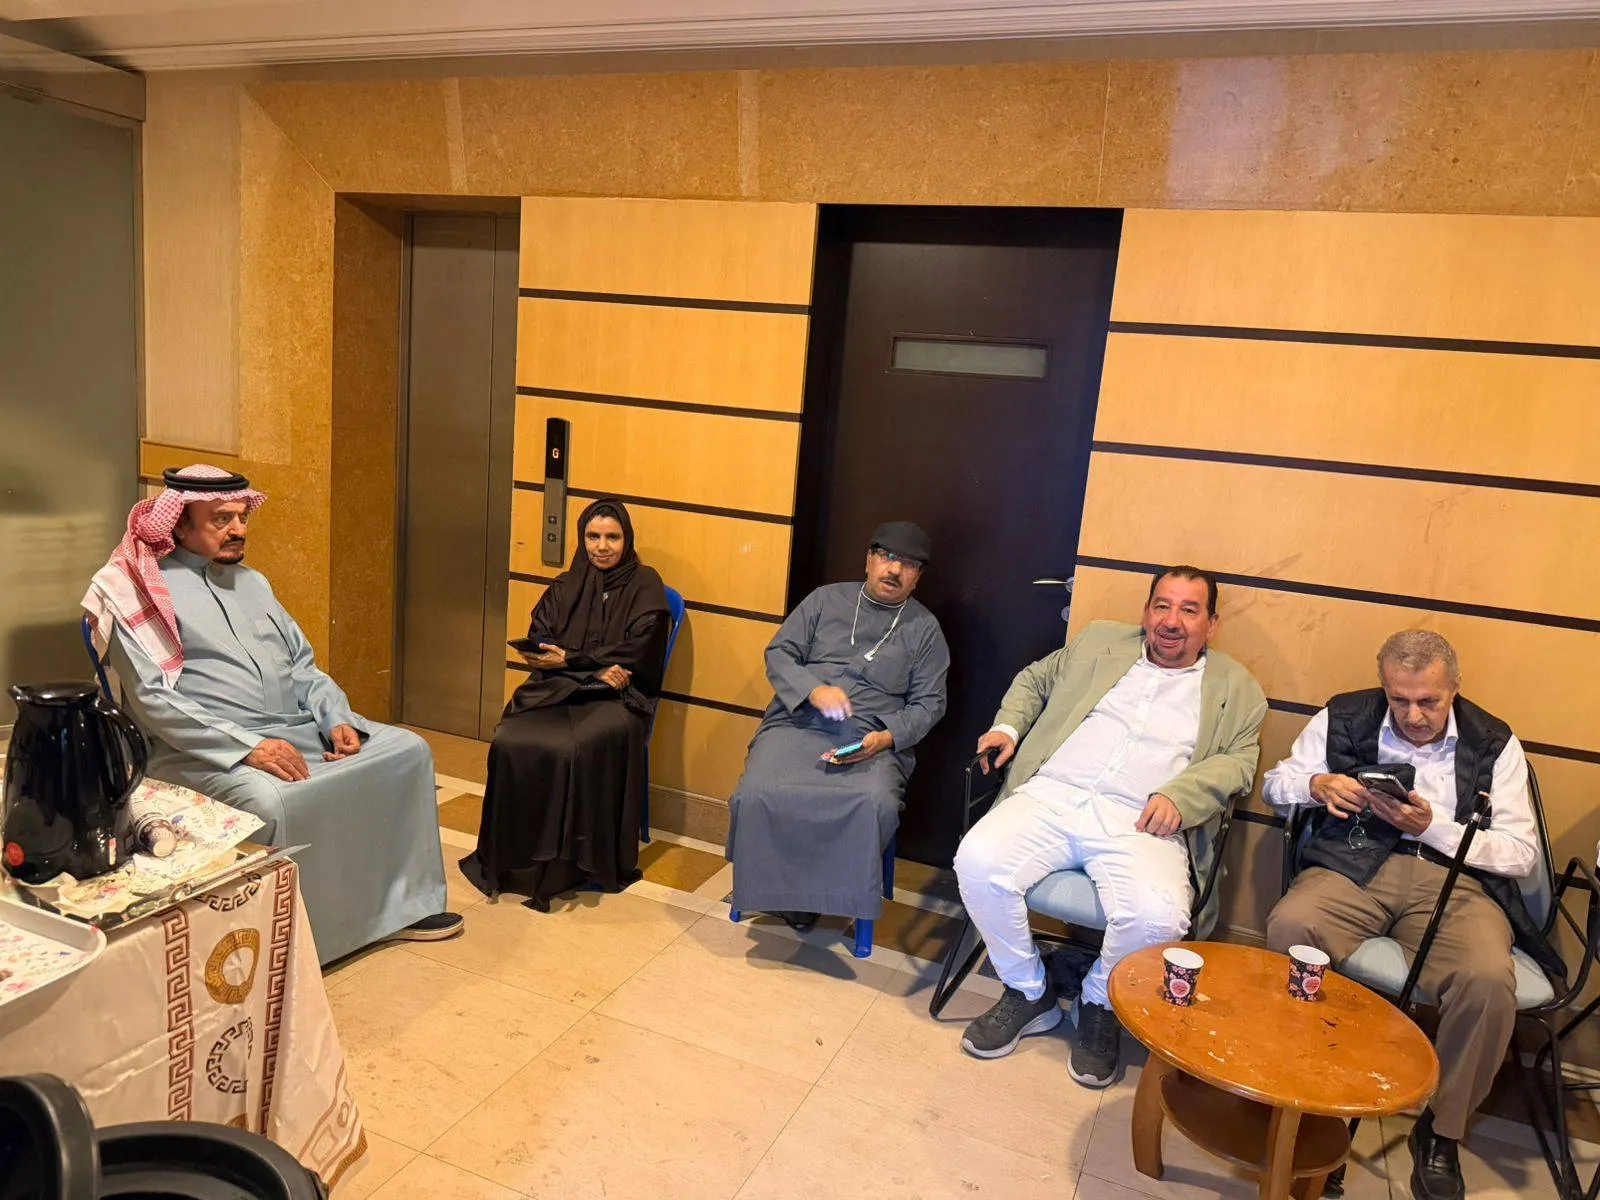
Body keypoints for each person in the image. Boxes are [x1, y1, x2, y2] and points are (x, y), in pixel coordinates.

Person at [82, 465, 459, 964]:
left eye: (242, 517)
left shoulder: (254, 583)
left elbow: (302, 665)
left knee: (408, 751)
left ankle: (403, 908)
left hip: (297, 733)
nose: (238, 529)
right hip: (201, 751)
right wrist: (249, 748)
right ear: (178, 524)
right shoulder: (137, 594)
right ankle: (296, 946)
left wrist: (336, 717)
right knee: (269, 799)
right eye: (221, 519)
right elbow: (154, 700)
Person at [1264, 630, 1562, 1200]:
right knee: (1291, 927)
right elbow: (1275, 788)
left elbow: (1520, 853)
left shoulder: (1493, 741)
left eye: (1429, 701)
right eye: (1399, 699)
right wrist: (1316, 785)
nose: (1413, 715)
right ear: (1384, 687)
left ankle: (1442, 1129)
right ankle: (1308, 1097)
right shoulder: (1345, 715)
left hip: (1456, 879)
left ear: (1455, 689)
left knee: (1486, 982)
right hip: (1354, 862)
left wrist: (1433, 828)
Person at [952, 566, 1266, 1087]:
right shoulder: (1099, 641)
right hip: (1052, 794)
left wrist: (1181, 796)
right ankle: (1028, 990)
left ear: (1212, 624)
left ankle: (1100, 1002)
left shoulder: (1237, 688)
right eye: (1162, 606)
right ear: (1146, 612)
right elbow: (1036, 679)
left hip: (1142, 819)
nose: (1172, 621)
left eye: (1189, 610)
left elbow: (1239, 761)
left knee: (1160, 917)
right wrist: (1007, 727)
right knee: (977, 860)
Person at [726, 521, 949, 933]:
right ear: (869, 559)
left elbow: (930, 703)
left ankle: (829, 897)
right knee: (757, 791)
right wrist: (813, 690)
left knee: (873, 802)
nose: (894, 570)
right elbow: (779, 653)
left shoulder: (925, 630)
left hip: (870, 738)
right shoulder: (824, 600)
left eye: (908, 564)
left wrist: (887, 737)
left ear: (918, 577)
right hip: (797, 722)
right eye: (887, 557)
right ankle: (779, 892)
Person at [461, 499, 671, 911]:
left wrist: (575, 660)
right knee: (509, 739)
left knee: (569, 747)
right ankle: (511, 861)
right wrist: (589, 667)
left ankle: (565, 867)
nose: (602, 546)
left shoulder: (646, 585)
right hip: (558, 689)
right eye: (593, 536)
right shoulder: (567, 584)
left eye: (612, 537)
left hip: (617, 699)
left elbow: (639, 652)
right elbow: (541, 639)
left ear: (627, 539)